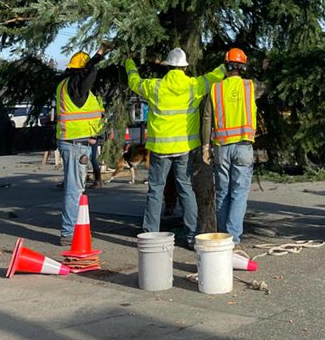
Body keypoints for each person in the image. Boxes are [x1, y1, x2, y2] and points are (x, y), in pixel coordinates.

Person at [125, 47, 225, 247]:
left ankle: (150, 235)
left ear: (168, 66)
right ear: (185, 67)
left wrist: (129, 63)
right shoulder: (194, 85)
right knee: (186, 190)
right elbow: (214, 77)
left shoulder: (155, 87)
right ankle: (191, 236)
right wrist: (226, 65)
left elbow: (134, 82)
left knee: (155, 190)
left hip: (160, 149)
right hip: (184, 148)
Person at [201, 47, 263, 255]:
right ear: (243, 66)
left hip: (221, 148)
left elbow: (207, 118)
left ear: (226, 65)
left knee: (222, 193)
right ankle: (234, 239)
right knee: (239, 194)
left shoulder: (216, 89)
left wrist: (205, 146)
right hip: (244, 147)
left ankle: (223, 237)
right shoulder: (250, 87)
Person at [56, 45, 109, 245]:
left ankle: (71, 230)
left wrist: (94, 136)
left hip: (76, 141)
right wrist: (98, 56)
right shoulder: (75, 86)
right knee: (74, 189)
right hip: (75, 144)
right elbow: (90, 71)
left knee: (76, 188)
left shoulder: (65, 85)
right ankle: (69, 233)